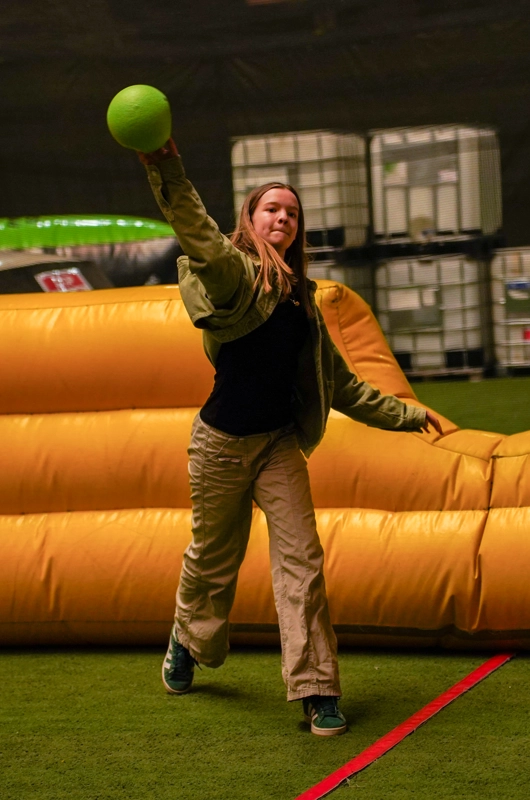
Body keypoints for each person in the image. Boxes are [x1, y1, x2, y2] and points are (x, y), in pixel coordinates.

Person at [137, 138, 442, 737]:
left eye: (292, 212)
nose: (283, 217)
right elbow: (196, 229)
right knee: (213, 561)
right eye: (271, 208)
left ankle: (317, 688)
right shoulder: (230, 275)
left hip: (278, 444)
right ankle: (187, 638)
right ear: (250, 220)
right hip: (220, 445)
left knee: (303, 562)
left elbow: (341, 386)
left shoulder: (304, 299)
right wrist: (166, 166)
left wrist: (409, 415)